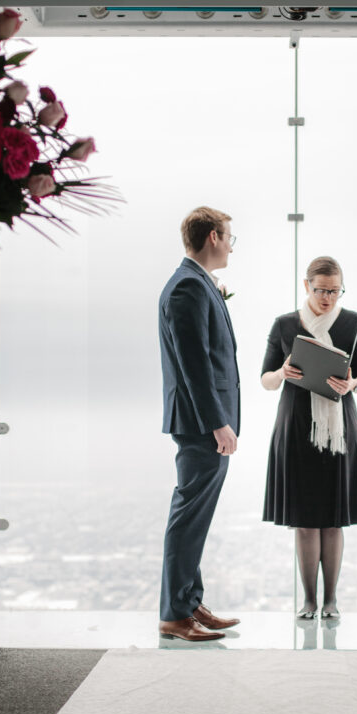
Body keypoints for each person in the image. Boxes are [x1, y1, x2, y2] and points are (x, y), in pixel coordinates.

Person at [261, 256, 357, 620]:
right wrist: (283, 372)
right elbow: (265, 379)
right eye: (322, 290)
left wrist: (353, 383)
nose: (328, 298)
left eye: (335, 291)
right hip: (296, 426)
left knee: (333, 519)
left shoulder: (353, 323)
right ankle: (309, 599)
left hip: (340, 430)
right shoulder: (285, 325)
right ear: (306, 286)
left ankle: (331, 600)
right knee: (305, 520)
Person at [158, 206, 241, 642]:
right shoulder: (188, 287)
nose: (231, 245)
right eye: (229, 236)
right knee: (188, 517)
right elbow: (195, 366)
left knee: (196, 516)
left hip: (203, 422)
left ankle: (189, 602)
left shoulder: (197, 284)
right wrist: (218, 423)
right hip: (199, 424)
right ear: (212, 236)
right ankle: (174, 613)